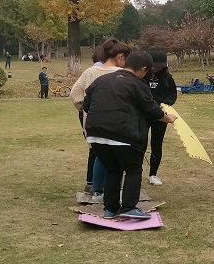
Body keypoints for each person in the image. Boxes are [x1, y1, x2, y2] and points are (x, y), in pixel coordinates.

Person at [84, 51, 178, 219]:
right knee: (133, 169)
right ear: (143, 69)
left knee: (113, 169)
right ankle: (128, 207)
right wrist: (168, 118)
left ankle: (110, 209)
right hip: (123, 134)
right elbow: (152, 110)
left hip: (95, 134)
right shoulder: (138, 84)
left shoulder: (101, 80)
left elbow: (86, 105)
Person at [70, 39, 131, 200]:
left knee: (99, 154)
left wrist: (85, 107)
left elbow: (75, 93)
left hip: (93, 120)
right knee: (118, 156)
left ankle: (97, 191)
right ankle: (114, 191)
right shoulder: (123, 74)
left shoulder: (90, 72)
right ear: (120, 56)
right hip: (118, 121)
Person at [143, 51, 177, 186]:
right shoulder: (141, 76)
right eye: (155, 66)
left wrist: (164, 104)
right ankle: (136, 172)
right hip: (143, 115)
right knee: (141, 143)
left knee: (157, 145)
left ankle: (153, 174)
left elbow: (172, 95)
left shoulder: (167, 78)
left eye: (160, 66)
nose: (157, 68)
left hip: (161, 116)